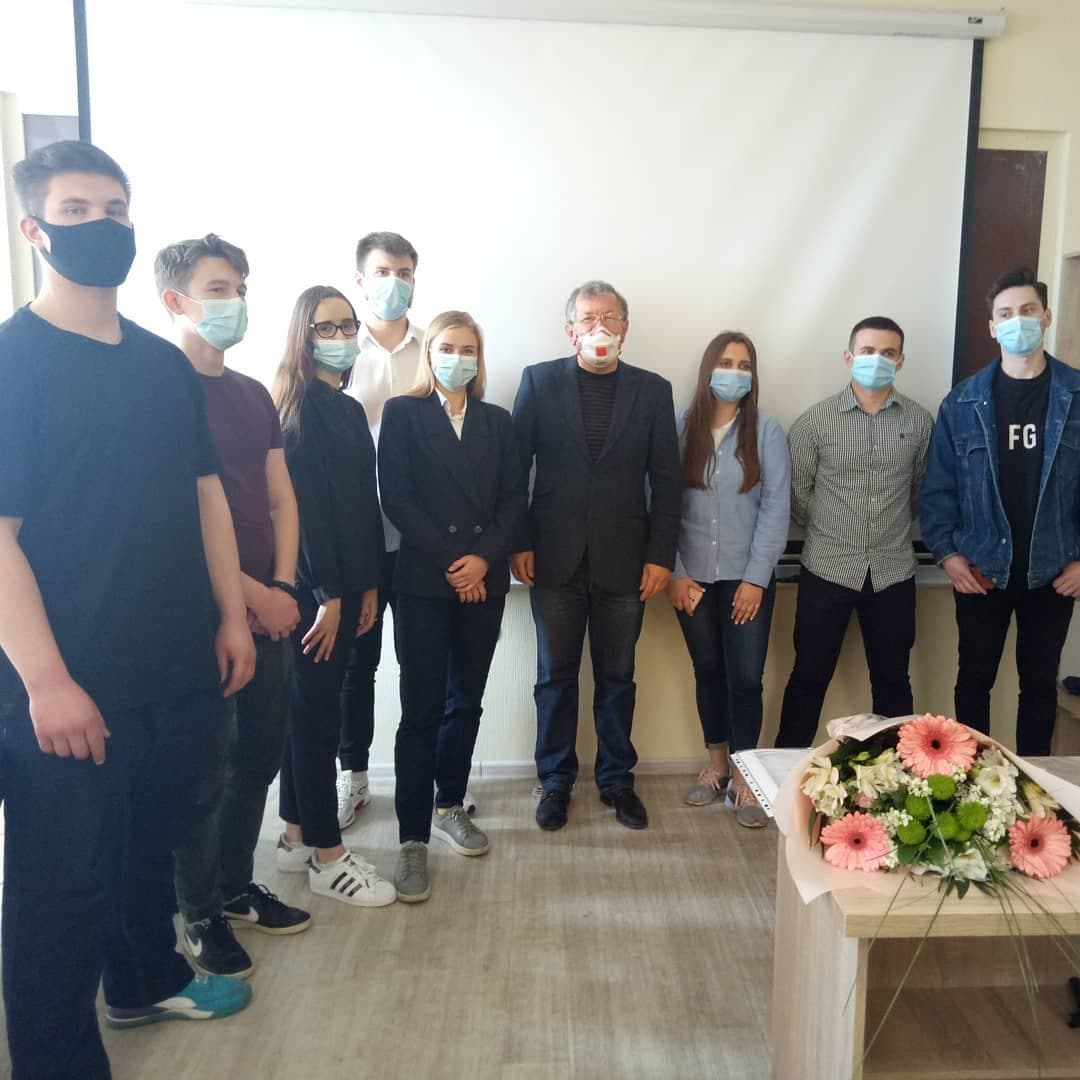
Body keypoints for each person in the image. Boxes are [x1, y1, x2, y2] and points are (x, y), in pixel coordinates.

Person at [0, 141, 256, 1078]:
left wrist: (231, 615)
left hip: (177, 664)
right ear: (34, 230)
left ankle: (145, 980)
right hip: (69, 682)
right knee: (62, 887)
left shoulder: (160, 365)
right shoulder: (13, 362)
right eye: (75, 211)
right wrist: (46, 681)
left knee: (151, 847)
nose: (99, 225)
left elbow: (205, 496)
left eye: (114, 208)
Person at [155, 233, 311, 979]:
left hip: (270, 609)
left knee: (258, 758)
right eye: (218, 289)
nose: (235, 302)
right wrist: (246, 597)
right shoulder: (157, 390)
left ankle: (234, 886)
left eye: (241, 288)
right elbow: (174, 518)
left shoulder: (252, 395)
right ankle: (198, 912)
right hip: (202, 615)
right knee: (205, 771)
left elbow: (282, 500)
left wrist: (282, 590)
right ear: (175, 300)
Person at [512, 280, 681, 831]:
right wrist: (519, 542)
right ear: (571, 330)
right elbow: (514, 470)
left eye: (609, 317)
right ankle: (555, 781)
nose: (599, 328)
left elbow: (667, 480)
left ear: (625, 328)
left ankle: (616, 781)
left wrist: (661, 555)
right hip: (552, 559)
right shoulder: (539, 382)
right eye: (588, 319)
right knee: (554, 679)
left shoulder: (653, 390)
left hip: (626, 562)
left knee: (618, 678)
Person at [379, 310, 525, 901]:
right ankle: (411, 837)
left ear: (479, 358)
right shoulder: (402, 413)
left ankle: (449, 805)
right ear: (429, 353)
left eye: (468, 349)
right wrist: (452, 562)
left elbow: (514, 500)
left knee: (466, 701)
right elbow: (397, 497)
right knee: (420, 709)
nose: (457, 358)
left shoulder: (498, 421)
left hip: (484, 582)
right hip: (423, 581)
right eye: (446, 347)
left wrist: (483, 561)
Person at [920, 267, 1080, 755]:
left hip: (1053, 572)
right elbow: (938, 489)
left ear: (1046, 317)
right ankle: (973, 781)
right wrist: (948, 555)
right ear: (992, 327)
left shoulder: (1076, 396)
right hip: (980, 571)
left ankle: (1034, 785)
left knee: (1040, 686)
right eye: (1006, 314)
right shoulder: (962, 402)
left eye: (1028, 310)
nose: (1018, 321)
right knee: (973, 681)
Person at [271, 285, 396, 907]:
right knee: (315, 721)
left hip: (351, 585)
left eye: (349, 326)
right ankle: (327, 855)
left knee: (312, 713)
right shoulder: (295, 412)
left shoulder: (346, 408)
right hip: (317, 595)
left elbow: (360, 505)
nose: (342, 336)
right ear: (304, 335)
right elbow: (304, 512)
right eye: (328, 327)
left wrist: (367, 582)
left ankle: (295, 834)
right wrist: (328, 594)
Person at [774, 316, 933, 749]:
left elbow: (921, 491)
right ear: (848, 357)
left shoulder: (920, 422)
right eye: (867, 351)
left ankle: (899, 776)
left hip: (893, 571)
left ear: (901, 360)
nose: (876, 360)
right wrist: (834, 529)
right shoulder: (815, 421)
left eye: (887, 353)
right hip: (827, 569)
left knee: (893, 682)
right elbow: (797, 493)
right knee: (808, 677)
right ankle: (786, 770)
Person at [667, 332, 790, 827]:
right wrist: (676, 574)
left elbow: (776, 508)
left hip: (747, 580)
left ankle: (746, 776)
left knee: (745, 678)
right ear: (707, 370)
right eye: (725, 362)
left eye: (743, 364)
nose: (734, 372)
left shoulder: (767, 431)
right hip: (692, 579)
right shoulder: (680, 428)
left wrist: (756, 579)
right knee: (708, 671)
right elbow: (660, 505)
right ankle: (717, 766)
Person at [337, 231, 424, 828]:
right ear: (361, 280)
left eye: (405, 272)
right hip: (358, 537)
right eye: (383, 271)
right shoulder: (339, 349)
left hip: (419, 540)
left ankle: (430, 780)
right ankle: (355, 777)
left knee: (422, 666)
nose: (395, 281)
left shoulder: (435, 348)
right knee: (356, 666)